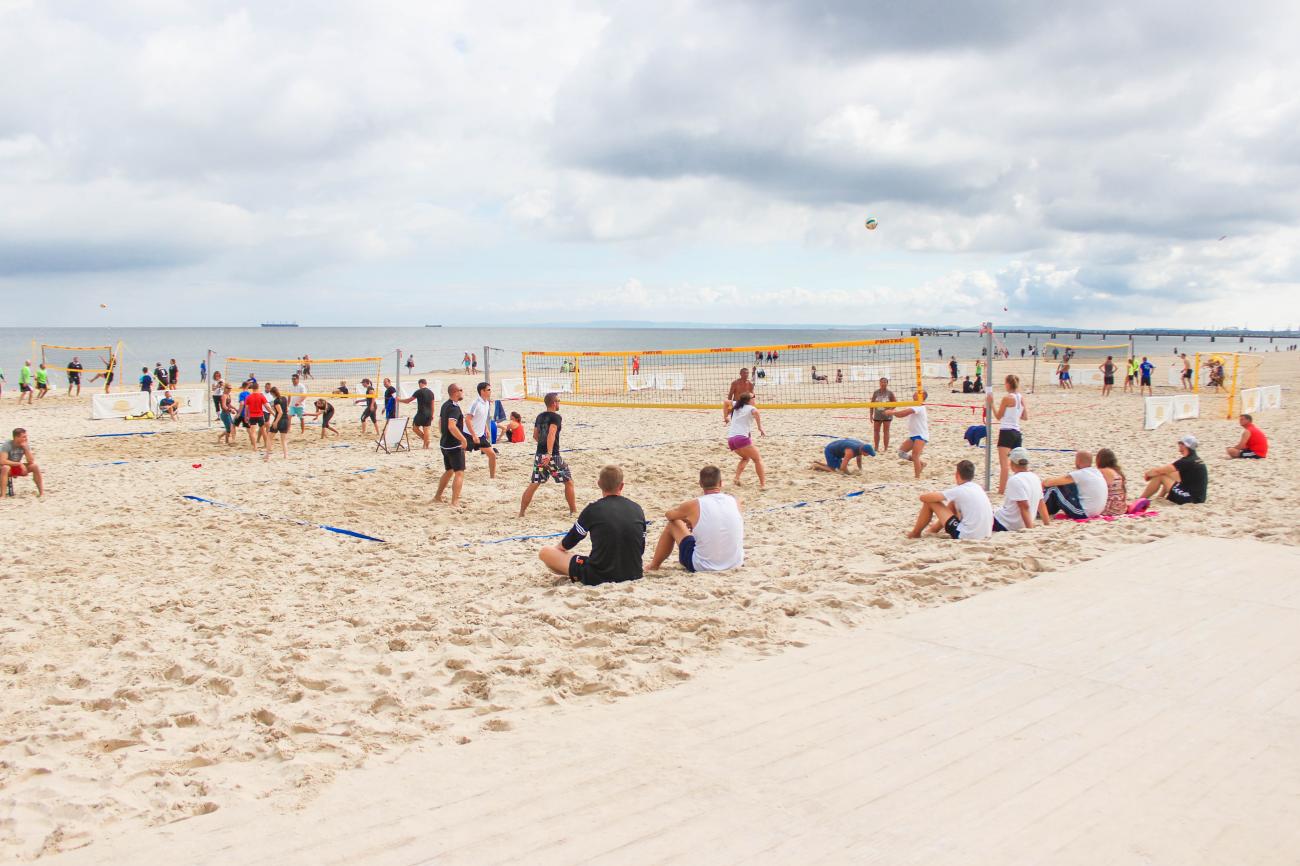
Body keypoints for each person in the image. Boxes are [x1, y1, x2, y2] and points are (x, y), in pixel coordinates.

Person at [538, 465, 646, 586]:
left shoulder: (593, 509)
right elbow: (640, 548)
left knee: (545, 552)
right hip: (634, 572)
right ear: (621, 486)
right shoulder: (637, 509)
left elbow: (570, 541)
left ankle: (575, 573)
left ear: (599, 484)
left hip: (598, 575)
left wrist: (558, 552)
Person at [648, 465, 744, 572]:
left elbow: (669, 515)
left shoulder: (694, 504)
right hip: (735, 563)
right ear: (720, 483)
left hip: (702, 566)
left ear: (700, 484)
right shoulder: (735, 501)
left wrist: (686, 518)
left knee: (673, 523)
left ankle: (654, 565)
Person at [519, 392, 577, 517]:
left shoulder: (539, 417)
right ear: (554, 403)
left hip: (539, 456)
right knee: (568, 481)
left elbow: (535, 435)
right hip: (552, 457)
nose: (559, 403)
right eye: (558, 401)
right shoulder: (556, 417)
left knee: (534, 483)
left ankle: (521, 513)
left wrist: (543, 447)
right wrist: (549, 453)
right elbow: (551, 433)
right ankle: (573, 511)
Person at [906, 459, 991, 540]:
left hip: (967, 535)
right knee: (953, 502)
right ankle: (933, 530)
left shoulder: (960, 490)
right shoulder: (977, 487)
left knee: (930, 502)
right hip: (985, 533)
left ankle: (915, 533)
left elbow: (925, 498)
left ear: (957, 474)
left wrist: (922, 496)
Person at [1141, 435, 1208, 505]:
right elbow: (1168, 472)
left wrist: (1147, 474)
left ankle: (1140, 499)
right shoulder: (1196, 459)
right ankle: (1160, 497)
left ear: (1184, 445)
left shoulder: (1187, 461)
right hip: (1198, 498)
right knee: (1169, 473)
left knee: (1160, 476)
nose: (1179, 447)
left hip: (1189, 498)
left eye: (1180, 444)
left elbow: (1158, 471)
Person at [992, 447, 1047, 531]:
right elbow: (1041, 504)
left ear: (1012, 463)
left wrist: (1030, 529)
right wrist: (1047, 523)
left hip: (1007, 523)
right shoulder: (1035, 477)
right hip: (1026, 521)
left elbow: (1024, 506)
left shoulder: (1015, 480)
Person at [1042, 451, 1108, 519]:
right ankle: (1047, 509)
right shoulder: (1096, 472)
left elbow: (1050, 483)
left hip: (1082, 513)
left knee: (1054, 488)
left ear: (1078, 461)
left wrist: (1044, 482)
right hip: (1096, 511)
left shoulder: (1080, 473)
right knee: (1067, 487)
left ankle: (1040, 509)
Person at [990, 374, 1028, 494]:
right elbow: (1025, 416)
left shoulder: (1007, 398)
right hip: (1017, 432)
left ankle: (1001, 491)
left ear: (1008, 384)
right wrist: (1014, 414)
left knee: (1004, 465)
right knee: (1019, 463)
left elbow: (998, 416)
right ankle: (1022, 488)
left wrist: (991, 404)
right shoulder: (1020, 397)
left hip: (1006, 431)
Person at [436, 384, 469, 506]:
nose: (462, 392)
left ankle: (438, 496)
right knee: (459, 472)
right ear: (455, 392)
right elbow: (451, 426)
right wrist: (463, 440)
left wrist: (443, 434)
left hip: (444, 443)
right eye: (461, 390)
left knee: (449, 471)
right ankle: (455, 502)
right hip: (454, 445)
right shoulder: (454, 408)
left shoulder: (445, 405)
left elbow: (440, 422)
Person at [726, 392, 766, 488]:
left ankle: (736, 478)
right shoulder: (752, 408)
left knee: (746, 458)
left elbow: (725, 402)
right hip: (741, 439)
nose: (755, 398)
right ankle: (763, 485)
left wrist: (725, 416)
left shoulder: (737, 405)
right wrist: (760, 428)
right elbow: (756, 413)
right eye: (753, 397)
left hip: (731, 439)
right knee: (757, 460)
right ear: (749, 400)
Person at [887, 391, 928, 478]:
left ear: (922, 397)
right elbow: (900, 415)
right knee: (901, 453)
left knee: (915, 456)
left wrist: (892, 412)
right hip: (913, 435)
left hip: (921, 435)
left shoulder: (920, 407)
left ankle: (917, 478)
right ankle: (921, 464)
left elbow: (902, 414)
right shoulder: (914, 405)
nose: (915, 393)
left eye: (918, 393)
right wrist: (893, 412)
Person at [465, 382, 498, 477]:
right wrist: (474, 435)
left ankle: (492, 478)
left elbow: (482, 418)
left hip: (480, 435)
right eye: (488, 390)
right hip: (468, 435)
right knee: (461, 458)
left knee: (492, 455)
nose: (490, 391)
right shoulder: (476, 403)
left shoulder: (486, 402)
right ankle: (458, 475)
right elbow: (467, 419)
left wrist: (486, 429)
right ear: (482, 391)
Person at [1, 428, 44, 498]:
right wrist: (19, 464)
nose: (26, 439)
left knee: (35, 466)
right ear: (16, 437)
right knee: (5, 468)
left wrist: (26, 448)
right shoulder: (7, 445)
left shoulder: (24, 445)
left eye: (26, 436)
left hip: (17, 467)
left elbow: (31, 461)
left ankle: (41, 493)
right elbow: (2, 461)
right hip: (7, 468)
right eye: (23, 437)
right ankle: (3, 495)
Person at [399, 378, 437, 448]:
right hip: (429, 413)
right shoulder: (431, 393)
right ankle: (425, 444)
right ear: (426, 383)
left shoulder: (418, 391)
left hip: (421, 412)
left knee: (415, 428)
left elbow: (408, 401)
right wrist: (432, 414)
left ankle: (426, 441)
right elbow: (432, 405)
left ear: (420, 383)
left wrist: (399, 400)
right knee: (426, 429)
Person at [1096, 447, 1128, 516]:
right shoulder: (1119, 473)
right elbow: (1124, 494)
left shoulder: (1100, 472)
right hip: (1121, 509)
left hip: (1107, 509)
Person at [243, 381, 270, 458]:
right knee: (263, 430)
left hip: (252, 416)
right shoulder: (261, 396)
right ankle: (265, 444)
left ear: (252, 388)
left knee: (253, 432)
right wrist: (272, 412)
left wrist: (246, 416)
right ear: (258, 388)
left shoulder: (249, 397)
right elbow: (267, 406)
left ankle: (255, 447)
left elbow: (246, 408)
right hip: (260, 415)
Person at [871, 377, 896, 453]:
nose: (883, 383)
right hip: (877, 414)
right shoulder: (876, 392)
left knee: (886, 431)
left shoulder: (890, 393)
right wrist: (871, 414)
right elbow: (871, 404)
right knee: (876, 431)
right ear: (879, 383)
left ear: (887, 383)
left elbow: (895, 403)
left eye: (885, 382)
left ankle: (885, 448)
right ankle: (876, 448)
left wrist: (889, 410)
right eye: (882, 382)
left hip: (887, 415)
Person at [268, 386, 290, 458]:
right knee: (283, 440)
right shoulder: (284, 398)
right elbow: (287, 409)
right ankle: (285, 455)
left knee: (269, 437)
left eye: (271, 394)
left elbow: (280, 412)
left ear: (273, 393)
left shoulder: (276, 401)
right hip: (286, 420)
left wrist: (275, 422)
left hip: (279, 420)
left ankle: (267, 455)